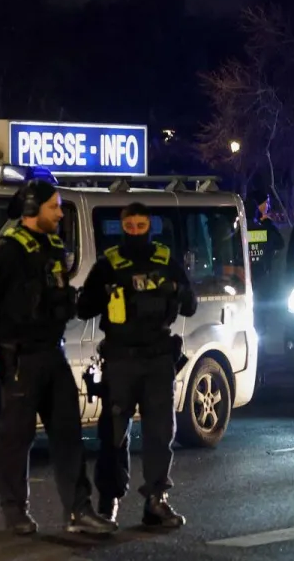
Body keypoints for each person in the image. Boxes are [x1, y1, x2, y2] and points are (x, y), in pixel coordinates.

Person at [0, 179, 114, 537]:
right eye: (55, 207)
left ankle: (79, 511)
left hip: (53, 354)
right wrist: (7, 337)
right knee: (16, 439)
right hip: (21, 359)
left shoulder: (53, 247)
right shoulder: (6, 251)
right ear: (33, 209)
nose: (60, 213)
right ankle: (15, 511)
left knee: (68, 434)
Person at [76, 202, 196, 528]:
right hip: (120, 360)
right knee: (113, 434)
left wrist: (175, 288)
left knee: (160, 433)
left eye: (141, 225)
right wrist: (104, 293)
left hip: (158, 359)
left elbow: (190, 305)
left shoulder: (164, 260)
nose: (135, 231)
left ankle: (156, 501)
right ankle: (108, 503)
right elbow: (84, 308)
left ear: (150, 226)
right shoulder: (108, 265)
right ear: (122, 226)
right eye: (130, 226)